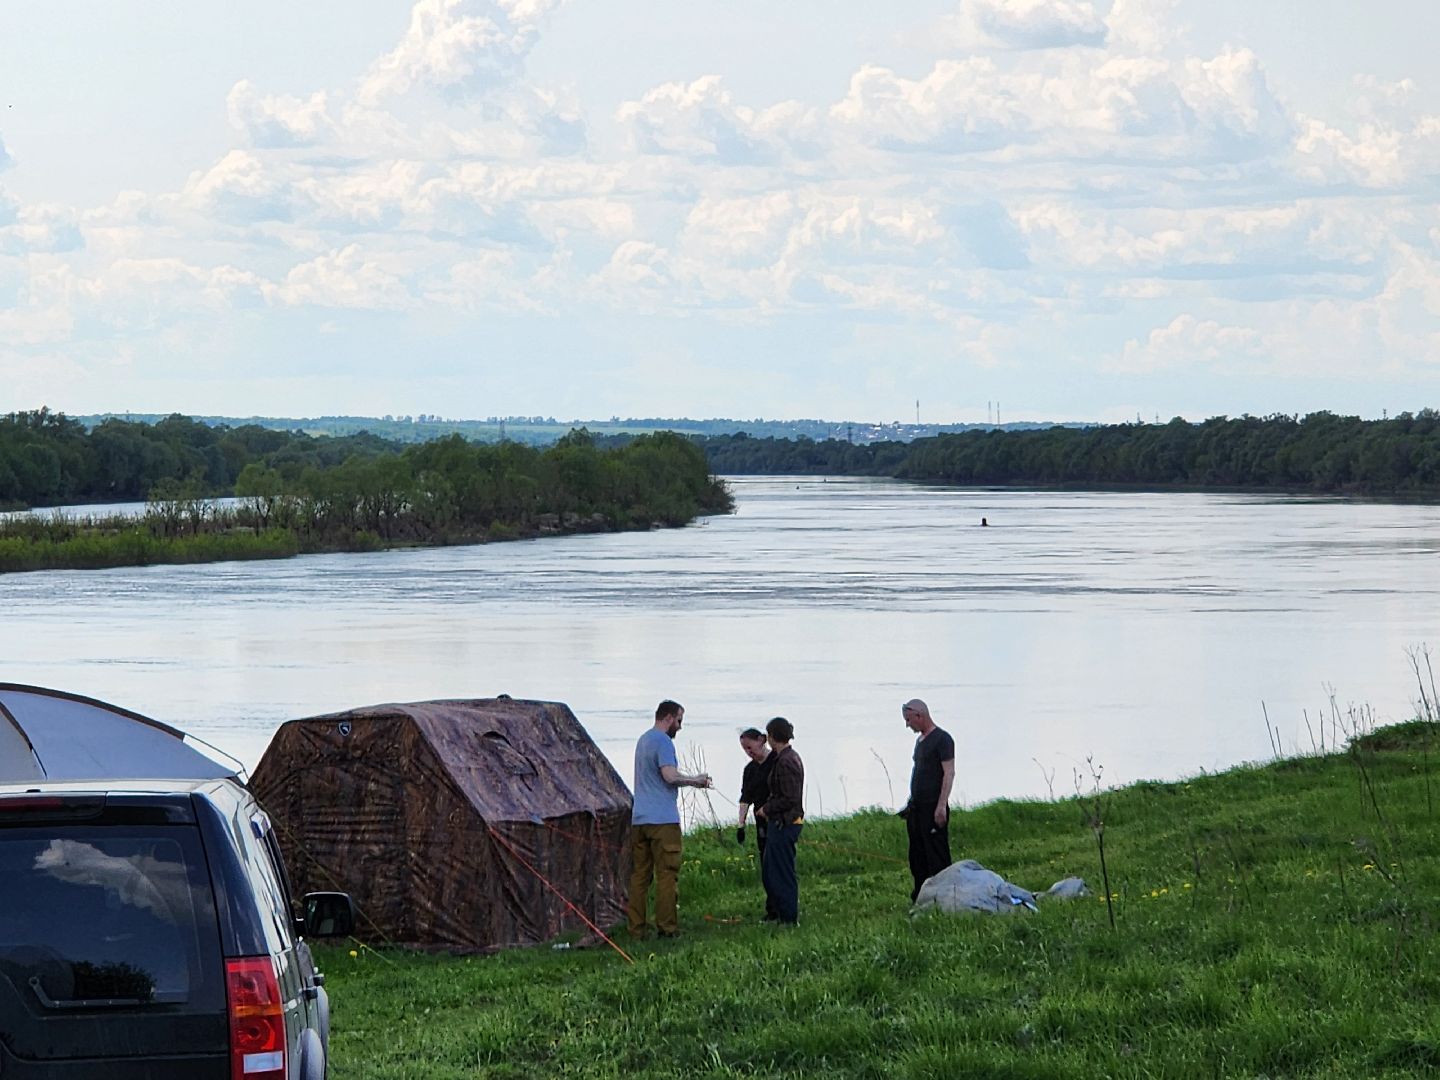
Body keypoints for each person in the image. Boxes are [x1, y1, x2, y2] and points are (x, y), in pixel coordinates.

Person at [627, 699, 712, 939]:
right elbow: (669, 776)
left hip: (639, 819)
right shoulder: (663, 741)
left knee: (640, 876)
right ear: (668, 718)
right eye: (679, 721)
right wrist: (697, 781)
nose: (680, 727)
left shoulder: (643, 740)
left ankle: (636, 929)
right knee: (667, 874)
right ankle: (667, 928)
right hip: (662, 820)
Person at [899, 698, 956, 902]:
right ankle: (921, 896)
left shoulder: (943, 739)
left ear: (919, 715)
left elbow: (948, 774)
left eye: (909, 720)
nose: (907, 725)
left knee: (936, 855)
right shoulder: (920, 741)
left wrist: (941, 806)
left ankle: (944, 897)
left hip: (934, 807)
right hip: (917, 808)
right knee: (917, 855)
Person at [756, 716, 804, 925]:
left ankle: (788, 917)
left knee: (781, 872)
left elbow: (790, 797)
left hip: (785, 823)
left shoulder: (786, 761)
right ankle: (781, 914)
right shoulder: (785, 757)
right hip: (780, 823)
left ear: (772, 736)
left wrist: (767, 808)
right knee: (771, 871)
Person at [736, 727, 778, 921]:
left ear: (762, 740)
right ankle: (771, 908)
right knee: (766, 864)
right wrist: (741, 824)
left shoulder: (776, 762)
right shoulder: (749, 770)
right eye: (745, 749)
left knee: (779, 864)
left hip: (777, 820)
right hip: (760, 823)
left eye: (750, 747)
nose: (749, 752)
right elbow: (745, 797)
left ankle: (783, 906)